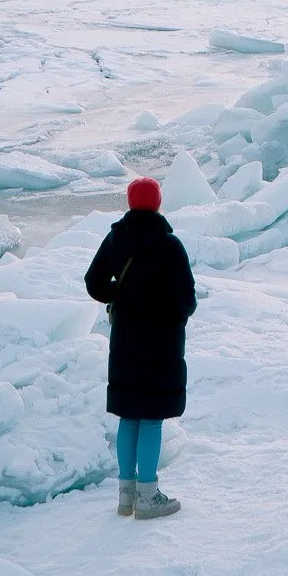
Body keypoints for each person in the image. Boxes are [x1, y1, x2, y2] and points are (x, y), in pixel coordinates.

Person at [84, 176, 197, 519]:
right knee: (151, 419)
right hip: (160, 344)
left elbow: (94, 282)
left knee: (129, 415)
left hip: (126, 340)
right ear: (158, 203)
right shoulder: (170, 245)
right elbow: (186, 300)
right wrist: (173, 316)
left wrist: (119, 296)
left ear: (131, 203)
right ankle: (148, 496)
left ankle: (125, 497)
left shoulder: (116, 238)